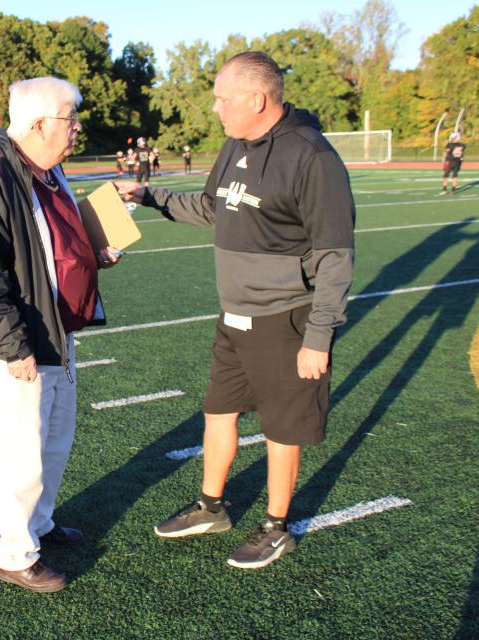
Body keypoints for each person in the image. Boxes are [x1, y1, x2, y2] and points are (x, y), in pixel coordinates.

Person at [116, 51, 355, 570]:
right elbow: (212, 209)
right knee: (217, 413)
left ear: (257, 99)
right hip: (234, 315)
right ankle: (211, 506)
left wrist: (319, 335)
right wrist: (149, 195)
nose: (217, 108)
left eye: (224, 99)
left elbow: (336, 256)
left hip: (288, 317)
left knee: (280, 429)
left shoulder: (312, 157)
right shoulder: (233, 145)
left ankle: (275, 527)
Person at [0, 77, 122, 592]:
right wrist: (13, 346)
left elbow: (54, 241)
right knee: (21, 446)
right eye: (69, 119)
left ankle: (40, 525)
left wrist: (97, 253)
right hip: (21, 336)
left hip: (56, 325)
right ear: (37, 125)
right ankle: (15, 553)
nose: (76, 128)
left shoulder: (48, 170)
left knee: (55, 435)